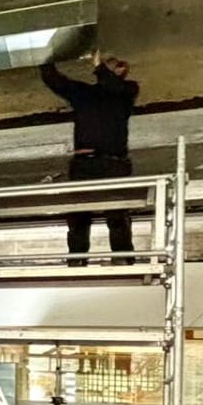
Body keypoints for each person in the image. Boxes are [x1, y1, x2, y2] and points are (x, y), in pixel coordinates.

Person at [39, 53, 138, 265]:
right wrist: (45, 57)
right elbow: (56, 82)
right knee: (78, 215)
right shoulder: (85, 93)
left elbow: (112, 87)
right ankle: (77, 259)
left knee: (117, 214)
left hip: (114, 163)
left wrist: (99, 66)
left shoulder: (127, 91)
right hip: (86, 163)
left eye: (117, 65)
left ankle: (122, 258)